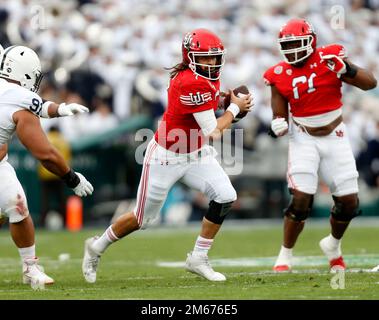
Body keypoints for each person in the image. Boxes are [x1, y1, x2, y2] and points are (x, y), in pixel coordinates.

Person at [82, 28, 252, 282]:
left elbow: (208, 103)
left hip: (195, 153)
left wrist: (224, 102)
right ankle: (96, 247)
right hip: (166, 156)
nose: (212, 63)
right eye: (205, 58)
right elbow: (214, 130)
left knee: (226, 196)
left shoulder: (204, 78)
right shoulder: (189, 81)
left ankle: (198, 257)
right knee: (142, 218)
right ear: (190, 57)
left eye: (215, 57)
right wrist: (235, 109)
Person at [263, 18, 377, 272]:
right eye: (287, 45)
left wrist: (347, 69)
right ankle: (285, 254)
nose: (292, 50)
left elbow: (370, 83)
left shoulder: (329, 58)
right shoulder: (279, 73)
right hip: (303, 136)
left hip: (336, 134)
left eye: (296, 43)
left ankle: (333, 246)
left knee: (349, 202)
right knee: (301, 197)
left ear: (311, 41)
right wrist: (278, 123)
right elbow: (278, 111)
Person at [0, 45, 94, 285]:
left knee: (15, 204)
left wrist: (60, 109)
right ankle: (30, 268)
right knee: (17, 208)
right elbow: (45, 154)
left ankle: (30, 267)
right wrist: (72, 178)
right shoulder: (17, 96)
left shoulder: (15, 96)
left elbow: (39, 106)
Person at [37, 126, 72, 228]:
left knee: (45, 201)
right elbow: (68, 159)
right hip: (60, 174)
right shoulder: (64, 141)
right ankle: (65, 222)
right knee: (61, 200)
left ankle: (43, 222)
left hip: (45, 174)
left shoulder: (45, 139)